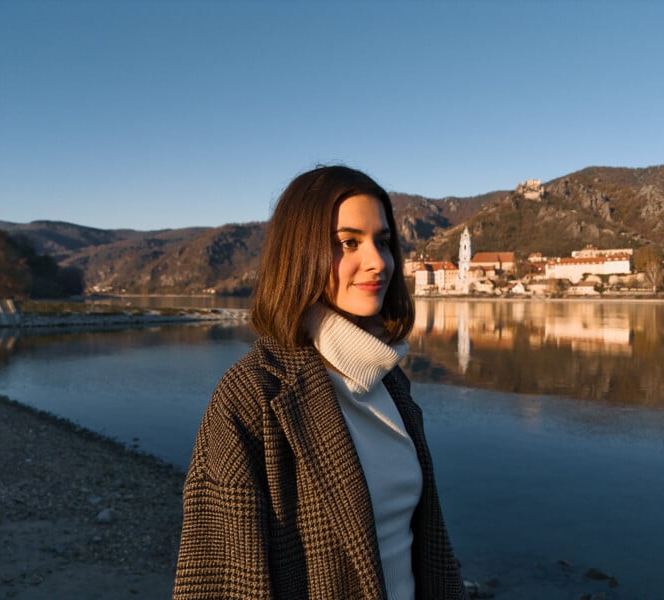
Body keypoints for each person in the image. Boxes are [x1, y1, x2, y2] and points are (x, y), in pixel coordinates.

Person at [173, 165, 467, 599]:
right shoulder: (253, 397)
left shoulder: (389, 380)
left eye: (383, 242)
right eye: (348, 243)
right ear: (300, 254)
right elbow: (218, 583)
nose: (377, 262)